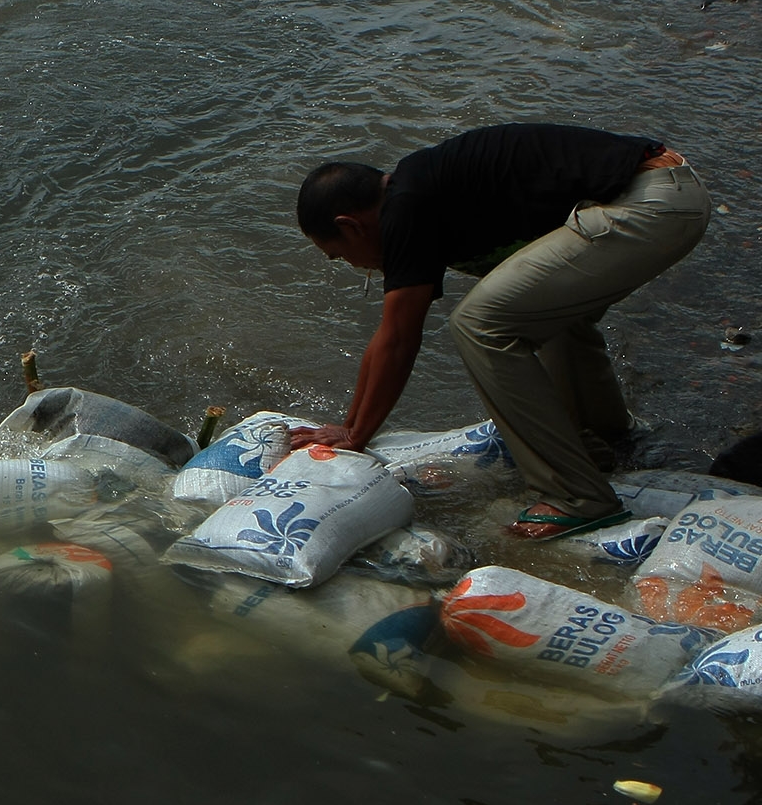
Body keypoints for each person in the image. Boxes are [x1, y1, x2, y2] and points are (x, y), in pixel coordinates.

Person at [292, 123, 710, 539]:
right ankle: (604, 439)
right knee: (540, 315)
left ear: (350, 225)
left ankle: (576, 497)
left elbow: (400, 339)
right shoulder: (420, 192)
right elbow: (389, 333)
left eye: (339, 256)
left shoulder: (406, 207)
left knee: (479, 324)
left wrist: (355, 433)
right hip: (670, 193)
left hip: (648, 204)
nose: (355, 266)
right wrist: (350, 426)